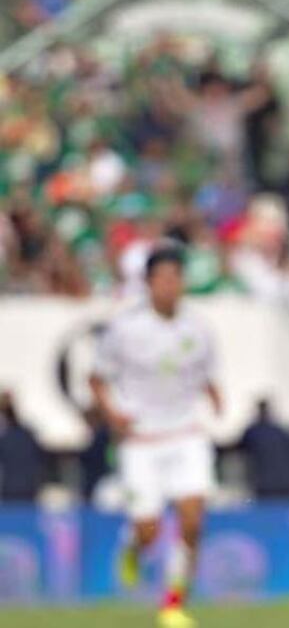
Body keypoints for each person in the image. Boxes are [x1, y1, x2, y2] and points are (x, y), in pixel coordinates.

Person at [89, 244, 222, 628]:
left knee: (193, 521)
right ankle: (133, 543)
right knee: (150, 531)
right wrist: (113, 412)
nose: (171, 285)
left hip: (186, 433)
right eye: (163, 278)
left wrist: (215, 397)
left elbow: (206, 374)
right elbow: (96, 378)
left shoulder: (198, 328)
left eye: (177, 277)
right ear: (148, 283)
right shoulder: (125, 328)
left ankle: (173, 603)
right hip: (141, 440)